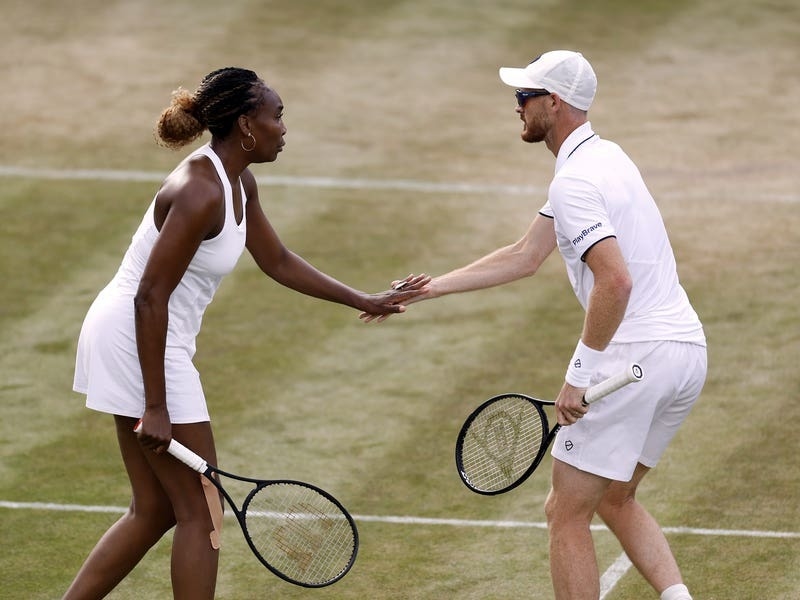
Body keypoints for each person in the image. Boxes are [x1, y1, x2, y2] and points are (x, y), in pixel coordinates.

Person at [64, 67, 428, 600]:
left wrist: (363, 297)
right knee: (203, 511)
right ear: (245, 125)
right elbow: (149, 296)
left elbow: (277, 260)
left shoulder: (238, 182)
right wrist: (158, 406)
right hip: (138, 337)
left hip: (142, 334)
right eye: (276, 116)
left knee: (155, 509)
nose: (284, 128)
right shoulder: (198, 192)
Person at [367, 51, 706, 600]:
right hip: (685, 353)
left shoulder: (574, 183)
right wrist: (426, 290)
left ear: (555, 103)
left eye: (525, 97)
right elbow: (526, 254)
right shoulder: (606, 159)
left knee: (565, 513)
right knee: (615, 497)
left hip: (633, 357)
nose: (517, 106)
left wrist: (580, 374)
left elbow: (615, 283)